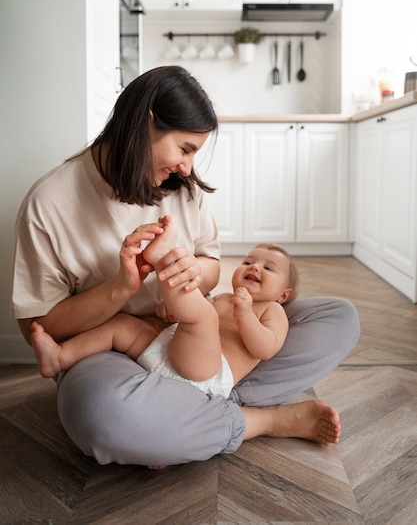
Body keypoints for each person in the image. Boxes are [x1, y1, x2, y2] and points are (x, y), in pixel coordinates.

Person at [11, 65, 360, 467]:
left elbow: (211, 264)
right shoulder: (49, 203)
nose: (188, 168)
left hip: (200, 346)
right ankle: (257, 419)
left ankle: (176, 420)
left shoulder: (180, 187)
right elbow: (40, 326)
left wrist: (196, 270)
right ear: (145, 125)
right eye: (186, 148)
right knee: (100, 414)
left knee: (339, 317)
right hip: (113, 354)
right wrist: (119, 289)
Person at [30, 215, 298, 400]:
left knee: (203, 317)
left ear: (283, 295)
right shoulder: (223, 298)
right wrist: (172, 314)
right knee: (123, 326)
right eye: (249, 261)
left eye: (268, 268)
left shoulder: (272, 311)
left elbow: (266, 348)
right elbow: (190, 326)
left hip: (208, 373)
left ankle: (163, 260)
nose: (253, 267)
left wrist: (247, 317)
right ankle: (60, 357)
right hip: (171, 355)